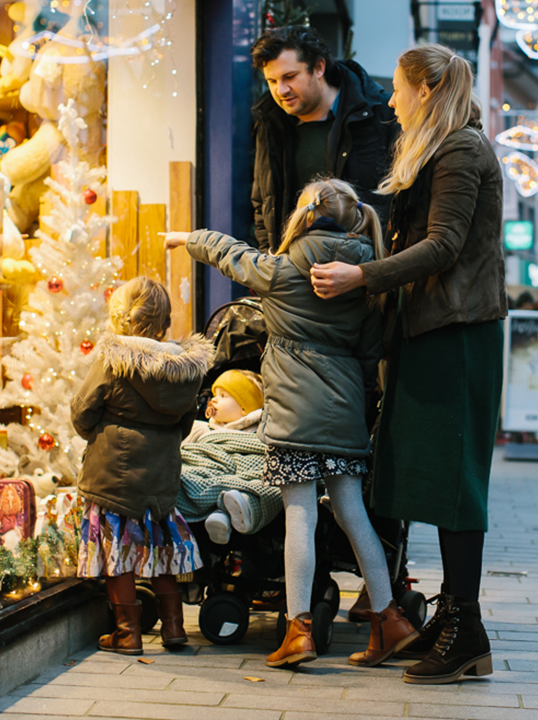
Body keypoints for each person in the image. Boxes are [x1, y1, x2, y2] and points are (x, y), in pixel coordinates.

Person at [307, 44, 506, 685]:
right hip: (430, 331)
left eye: (397, 89)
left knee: (455, 482)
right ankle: (451, 620)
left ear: (426, 89)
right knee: (430, 476)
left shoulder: (462, 150)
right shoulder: (444, 149)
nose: (390, 100)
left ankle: (466, 627)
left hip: (458, 334)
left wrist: (361, 275)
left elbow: (443, 245)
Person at [166, 179, 417, 670]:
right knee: (352, 512)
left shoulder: (282, 270)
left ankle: (298, 629)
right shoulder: (364, 278)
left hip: (294, 418)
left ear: (301, 219)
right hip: (344, 413)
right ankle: (389, 619)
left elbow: (230, 253)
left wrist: (187, 237)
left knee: (299, 514)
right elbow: (370, 357)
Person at [71, 277, 213, 655]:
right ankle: (173, 626)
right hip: (161, 476)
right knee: (162, 549)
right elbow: (185, 425)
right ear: (164, 321)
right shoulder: (185, 368)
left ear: (122, 316)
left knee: (117, 552)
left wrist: (96, 433)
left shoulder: (113, 359)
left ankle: (127, 633)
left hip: (113, 474)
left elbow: (83, 410)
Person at [250, 26, 397, 252]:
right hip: (291, 271)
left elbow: (398, 197)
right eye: (272, 81)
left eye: (290, 77)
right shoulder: (269, 122)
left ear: (319, 67)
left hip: (361, 270)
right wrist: (268, 258)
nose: (281, 90)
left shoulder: (379, 114)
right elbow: (263, 202)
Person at [179, 370, 283, 545]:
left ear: (244, 408)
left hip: (243, 477)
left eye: (223, 395)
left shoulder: (260, 434)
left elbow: (265, 455)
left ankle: (235, 511)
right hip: (211, 470)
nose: (214, 399)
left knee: (269, 480)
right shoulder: (203, 429)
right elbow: (184, 450)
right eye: (214, 395)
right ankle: (223, 515)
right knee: (186, 470)